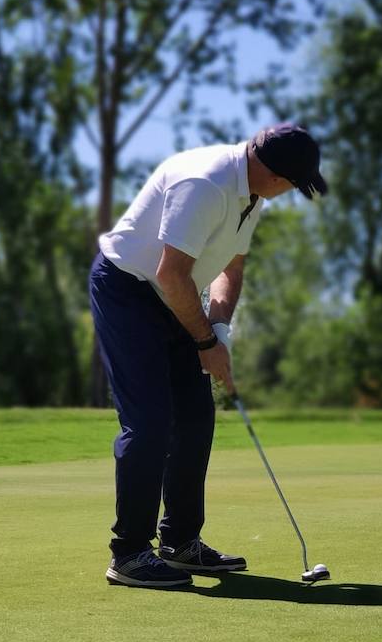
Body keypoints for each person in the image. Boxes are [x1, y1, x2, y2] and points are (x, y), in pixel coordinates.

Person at [89, 123, 328, 588]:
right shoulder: (206, 183)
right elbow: (171, 274)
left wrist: (219, 332)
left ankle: (179, 543)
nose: (286, 193)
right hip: (128, 291)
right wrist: (204, 344)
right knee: (151, 423)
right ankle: (130, 554)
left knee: (196, 417)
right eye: (291, 185)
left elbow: (230, 268)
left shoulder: (250, 195)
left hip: (174, 296)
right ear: (275, 176)